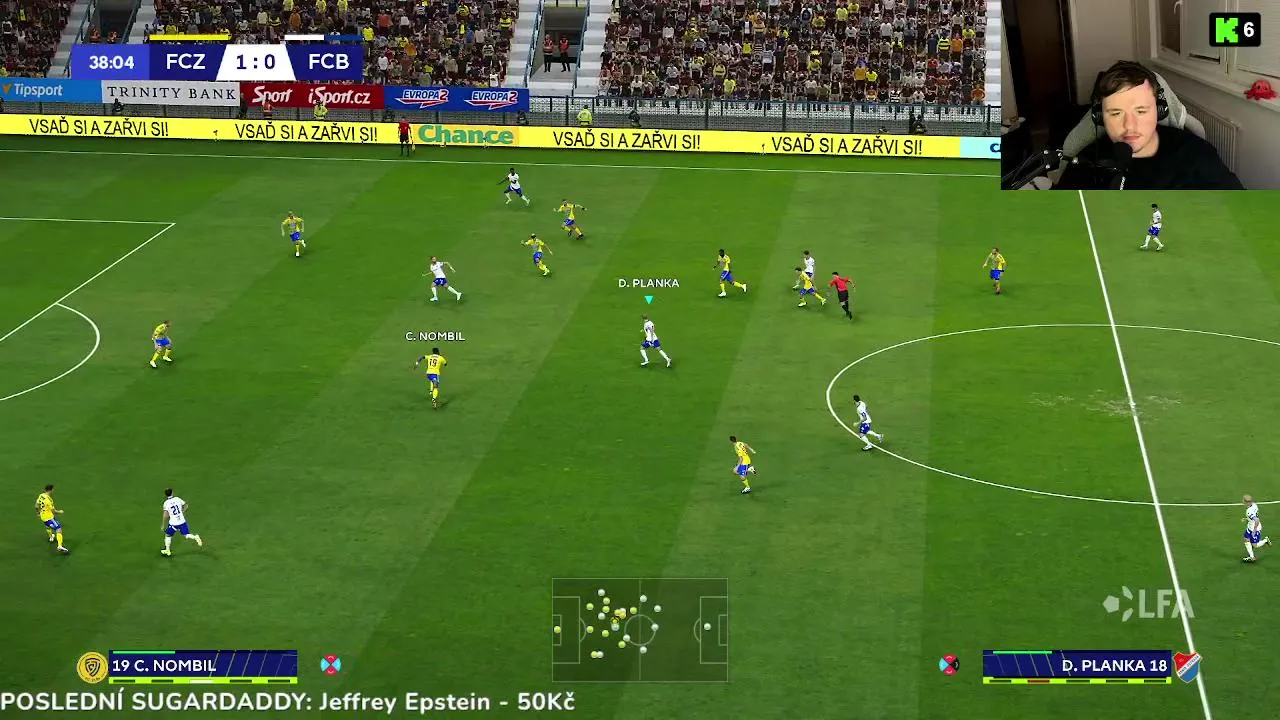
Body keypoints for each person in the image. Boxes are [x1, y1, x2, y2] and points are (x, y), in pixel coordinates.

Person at [1055, 61, 1244, 190]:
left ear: (1159, 111)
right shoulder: (1085, 164)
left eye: (1141, 111)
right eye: (1116, 113)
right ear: (1099, 117)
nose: (1129, 125)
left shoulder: (1195, 154)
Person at [161, 488, 203, 556]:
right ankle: (195, 537)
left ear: (165, 495)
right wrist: (181, 512)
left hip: (173, 523)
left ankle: (167, 550)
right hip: (182, 521)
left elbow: (165, 515)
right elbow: (186, 506)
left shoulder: (166, 503)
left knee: (168, 535)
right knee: (186, 535)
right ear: (172, 493)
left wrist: (163, 525)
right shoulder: (177, 499)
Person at [36, 484, 68, 554]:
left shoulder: (41, 495)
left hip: (43, 516)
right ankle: (60, 546)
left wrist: (38, 513)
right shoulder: (49, 500)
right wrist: (60, 512)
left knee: (47, 526)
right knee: (58, 529)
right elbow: (54, 511)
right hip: (49, 517)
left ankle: (51, 537)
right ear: (51, 490)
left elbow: (36, 505)